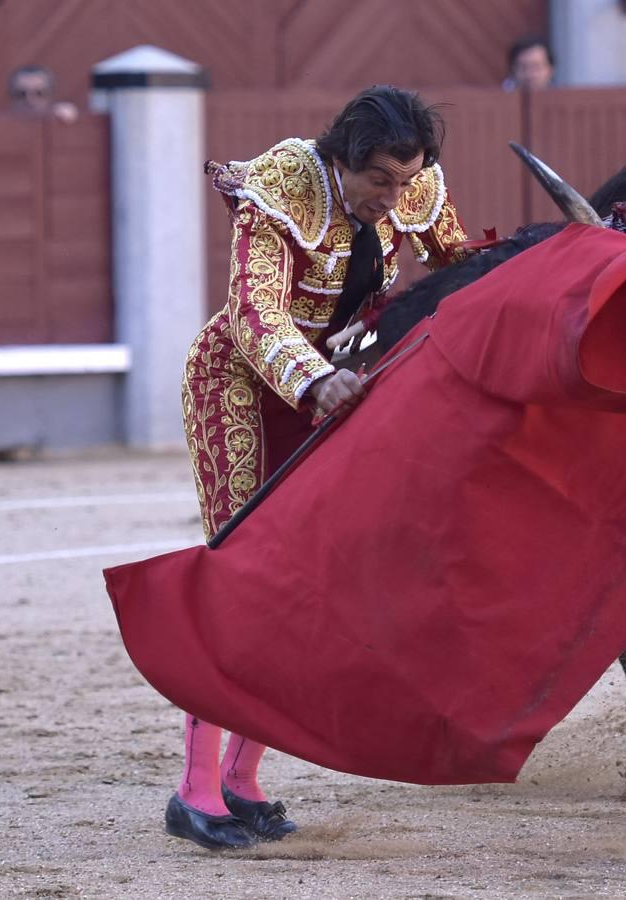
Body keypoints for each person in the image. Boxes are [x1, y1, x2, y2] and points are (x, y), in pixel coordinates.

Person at [172, 85, 472, 851]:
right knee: (238, 576)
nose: (394, 197)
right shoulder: (282, 185)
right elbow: (252, 314)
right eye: (380, 180)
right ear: (341, 160)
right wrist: (313, 378)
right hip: (240, 382)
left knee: (306, 584)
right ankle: (195, 790)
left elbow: (464, 273)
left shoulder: (419, 188)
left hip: (337, 393)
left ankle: (242, 779)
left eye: (405, 181)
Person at [7, 65, 79, 122]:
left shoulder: (57, 116)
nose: (30, 101)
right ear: (11, 97)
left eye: (39, 93)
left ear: (51, 95)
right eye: (21, 94)